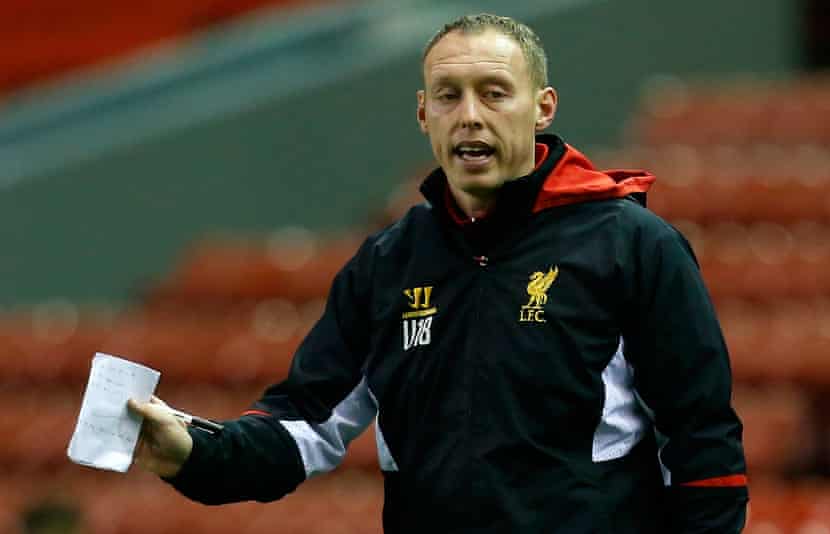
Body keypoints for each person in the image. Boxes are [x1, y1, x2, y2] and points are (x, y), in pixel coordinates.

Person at [128, 13, 748, 533]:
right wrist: (195, 455)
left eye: (495, 92)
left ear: (542, 107)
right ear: (424, 115)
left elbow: (702, 446)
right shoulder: (386, 264)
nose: (470, 116)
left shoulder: (633, 246)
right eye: (449, 96)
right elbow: (307, 422)